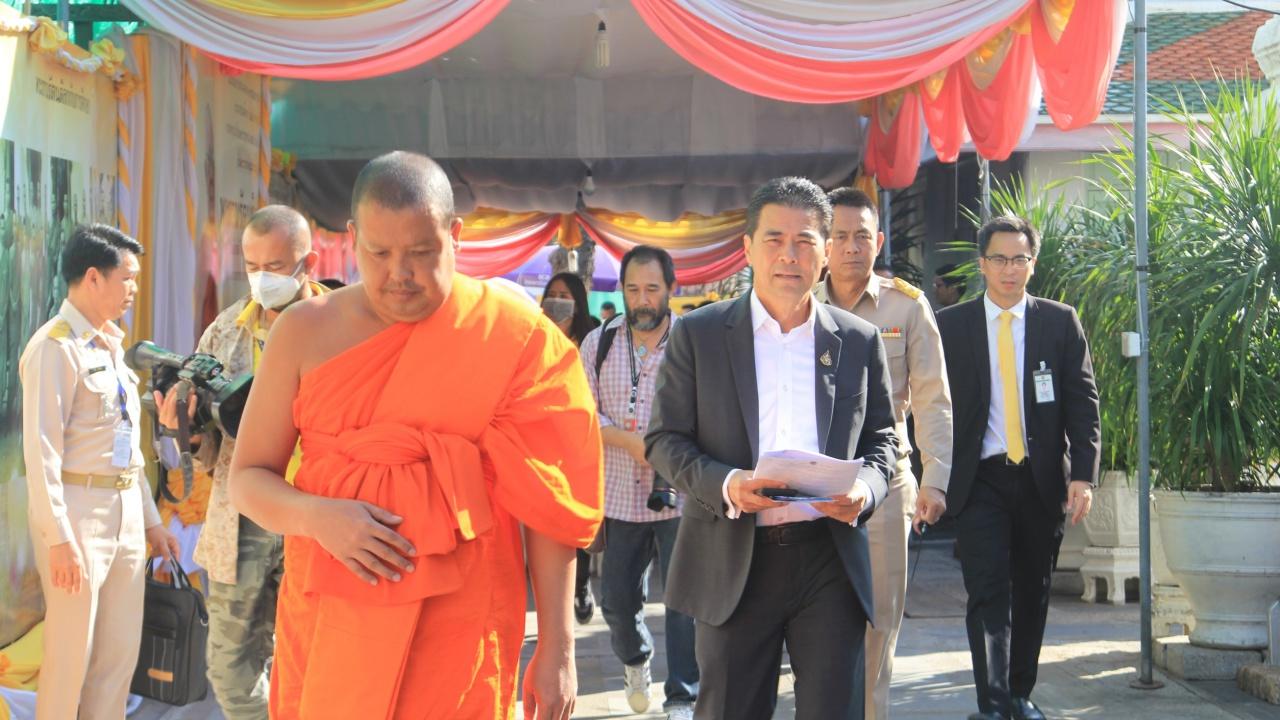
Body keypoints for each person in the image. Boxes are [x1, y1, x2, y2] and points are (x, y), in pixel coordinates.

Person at [228, 151, 603, 719]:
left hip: (465, 622)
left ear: (456, 236)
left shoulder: (510, 335)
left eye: (421, 252)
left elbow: (550, 507)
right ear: (352, 238)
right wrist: (318, 517)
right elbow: (248, 480)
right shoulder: (304, 331)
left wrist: (559, 647)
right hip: (334, 614)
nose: (399, 274)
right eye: (379, 253)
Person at [646, 177, 898, 720]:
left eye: (805, 241)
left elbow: (883, 439)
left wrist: (864, 490)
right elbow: (663, 439)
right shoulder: (700, 335)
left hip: (828, 557)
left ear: (825, 253)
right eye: (774, 239)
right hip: (733, 556)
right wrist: (726, 483)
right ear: (747, 247)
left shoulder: (857, 340)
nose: (789, 255)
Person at [156, 205, 327, 720]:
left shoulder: (341, 326)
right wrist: (185, 430)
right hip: (243, 519)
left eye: (275, 267)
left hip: (318, 516)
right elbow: (210, 449)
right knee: (231, 672)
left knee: (314, 660)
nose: (262, 279)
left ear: (308, 263)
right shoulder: (225, 331)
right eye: (252, 267)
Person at [936, 216, 1099, 720]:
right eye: (1000, 259)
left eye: (1020, 259)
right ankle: (993, 705)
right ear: (982, 264)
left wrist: (1083, 475)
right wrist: (931, 477)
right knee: (987, 591)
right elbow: (932, 405)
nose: (1010, 269)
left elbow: (1083, 401)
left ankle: (1019, 694)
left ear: (1033, 263)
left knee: (1033, 591)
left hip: (1040, 479)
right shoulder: (951, 325)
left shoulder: (1059, 321)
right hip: (979, 479)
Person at [19, 223, 180, 720]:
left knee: (117, 658)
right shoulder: (55, 347)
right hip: (78, 514)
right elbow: (41, 453)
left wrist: (150, 522)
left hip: (125, 511)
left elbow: (125, 447)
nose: (134, 289)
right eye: (127, 278)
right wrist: (58, 537)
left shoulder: (109, 344)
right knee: (71, 657)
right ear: (93, 277)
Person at [814, 187, 953, 720]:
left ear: (879, 241)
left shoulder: (906, 306)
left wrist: (935, 478)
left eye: (862, 236)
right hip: (813, 482)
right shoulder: (800, 303)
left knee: (880, 620)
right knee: (815, 622)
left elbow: (932, 397)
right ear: (824, 244)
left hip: (886, 482)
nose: (852, 247)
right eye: (841, 236)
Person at [581, 245, 698, 720]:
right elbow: (583, 414)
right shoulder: (599, 342)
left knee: (684, 601)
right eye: (633, 290)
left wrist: (668, 445)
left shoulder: (693, 341)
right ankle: (635, 659)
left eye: (652, 289)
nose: (642, 300)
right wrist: (631, 442)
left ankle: (683, 695)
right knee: (616, 601)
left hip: (681, 494)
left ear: (671, 289)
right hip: (618, 494)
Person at [540, 271, 598, 624]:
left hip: (580, 443)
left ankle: (581, 583)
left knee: (578, 518)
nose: (557, 300)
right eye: (553, 294)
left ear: (578, 302)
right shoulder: (534, 334)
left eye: (565, 295)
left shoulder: (591, 340)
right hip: (542, 445)